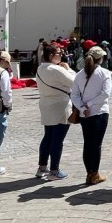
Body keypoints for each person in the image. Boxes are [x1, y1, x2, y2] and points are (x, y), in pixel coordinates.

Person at [71, 46, 112, 185]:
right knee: (96, 145)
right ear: (100, 59)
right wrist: (90, 104)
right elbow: (106, 94)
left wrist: (82, 107)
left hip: (85, 114)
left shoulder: (79, 74)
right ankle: (94, 173)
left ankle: (89, 172)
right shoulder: (105, 73)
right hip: (99, 112)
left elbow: (74, 94)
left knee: (87, 144)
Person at [34, 44, 75, 180]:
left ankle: (42, 167)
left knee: (48, 137)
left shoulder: (40, 68)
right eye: (59, 53)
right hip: (60, 106)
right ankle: (54, 170)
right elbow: (74, 82)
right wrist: (68, 69)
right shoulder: (56, 70)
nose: (61, 55)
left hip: (46, 105)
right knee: (58, 140)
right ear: (51, 56)